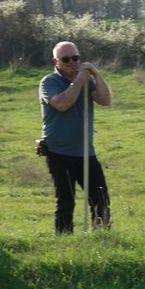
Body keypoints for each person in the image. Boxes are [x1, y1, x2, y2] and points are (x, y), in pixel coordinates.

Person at [39, 41, 113, 234]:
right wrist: (80, 79)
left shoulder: (87, 80)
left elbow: (106, 100)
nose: (72, 62)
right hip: (59, 153)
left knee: (101, 199)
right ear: (56, 61)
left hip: (86, 152)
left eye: (76, 58)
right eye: (66, 59)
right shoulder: (49, 82)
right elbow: (62, 104)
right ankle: (64, 242)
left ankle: (102, 239)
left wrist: (95, 74)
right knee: (66, 201)